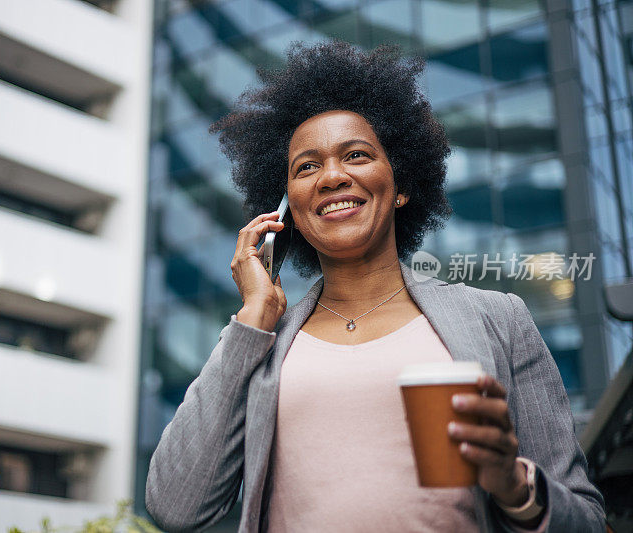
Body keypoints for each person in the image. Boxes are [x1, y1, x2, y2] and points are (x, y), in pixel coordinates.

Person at [145, 41, 605, 532]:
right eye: (306, 166)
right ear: (287, 211)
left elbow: (588, 519)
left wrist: (515, 485)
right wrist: (254, 314)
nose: (333, 176)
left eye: (357, 155)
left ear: (401, 185)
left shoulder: (499, 318)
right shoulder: (265, 341)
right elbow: (175, 506)